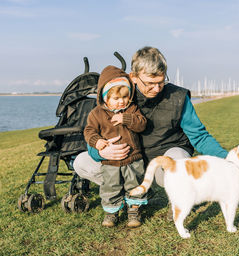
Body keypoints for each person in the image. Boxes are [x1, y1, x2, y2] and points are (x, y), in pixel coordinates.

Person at [74, 46, 228, 221]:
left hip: (163, 162)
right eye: (150, 83)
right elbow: (94, 132)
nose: (156, 89)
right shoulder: (117, 95)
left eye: (161, 82)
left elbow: (199, 137)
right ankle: (129, 194)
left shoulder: (177, 97)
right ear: (133, 77)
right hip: (129, 163)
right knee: (82, 162)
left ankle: (179, 198)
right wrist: (101, 151)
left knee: (177, 157)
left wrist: (228, 158)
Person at [83, 65, 148, 228]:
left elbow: (142, 124)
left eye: (125, 97)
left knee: (134, 184)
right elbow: (89, 131)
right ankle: (112, 212)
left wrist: (126, 119)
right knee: (110, 186)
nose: (122, 101)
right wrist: (96, 142)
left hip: (132, 157)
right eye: (117, 98)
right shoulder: (96, 114)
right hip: (110, 162)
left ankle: (134, 210)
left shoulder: (132, 109)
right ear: (105, 97)